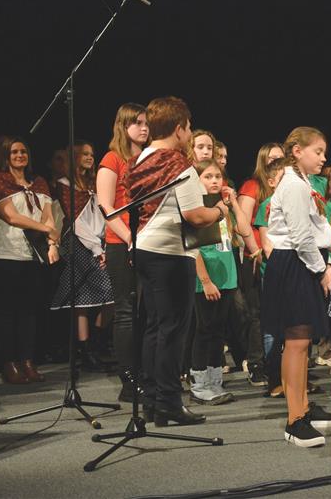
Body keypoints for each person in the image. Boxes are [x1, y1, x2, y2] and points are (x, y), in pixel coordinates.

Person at [124, 96, 230, 426]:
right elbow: (196, 216)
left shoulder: (140, 158)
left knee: (155, 328)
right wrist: (220, 211)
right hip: (169, 253)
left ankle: (154, 401)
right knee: (172, 330)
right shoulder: (176, 163)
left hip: (143, 248)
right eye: (187, 127)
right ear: (179, 128)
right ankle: (169, 401)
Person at [261, 126, 331, 447]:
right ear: (297, 151)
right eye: (318, 151)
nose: (323, 158)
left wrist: (328, 255)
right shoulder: (293, 185)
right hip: (294, 263)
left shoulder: (303, 182)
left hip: (304, 261)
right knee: (295, 342)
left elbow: (315, 229)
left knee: (304, 340)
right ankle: (295, 420)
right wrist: (322, 270)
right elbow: (300, 236)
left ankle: (305, 407)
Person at [0, 137, 59, 383]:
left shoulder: (38, 182)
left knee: (30, 312)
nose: (20, 155)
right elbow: (11, 217)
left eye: (23, 151)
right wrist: (45, 228)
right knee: (6, 313)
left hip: (33, 256)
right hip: (4, 254)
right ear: (5, 155)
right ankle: (9, 364)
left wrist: (52, 242)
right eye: (14, 152)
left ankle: (28, 361)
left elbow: (49, 216)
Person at [190, 159, 259, 405]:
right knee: (204, 330)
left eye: (217, 177)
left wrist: (233, 204)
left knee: (218, 330)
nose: (214, 181)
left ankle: (214, 379)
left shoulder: (223, 207)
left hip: (227, 278)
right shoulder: (196, 209)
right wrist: (206, 281)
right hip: (206, 281)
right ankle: (199, 384)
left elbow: (244, 230)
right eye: (208, 177)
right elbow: (193, 250)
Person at [97, 102, 149, 401]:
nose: (144, 128)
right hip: (121, 243)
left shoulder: (147, 158)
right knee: (126, 311)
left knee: (146, 311)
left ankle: (145, 374)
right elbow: (107, 206)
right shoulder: (112, 159)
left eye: (146, 123)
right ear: (123, 125)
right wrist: (130, 237)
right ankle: (129, 382)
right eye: (138, 122)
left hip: (147, 242)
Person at [50, 141, 115, 371]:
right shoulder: (64, 184)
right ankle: (86, 348)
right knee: (82, 297)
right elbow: (77, 222)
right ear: (74, 157)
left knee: (109, 294)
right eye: (84, 154)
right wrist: (96, 248)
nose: (90, 157)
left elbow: (102, 215)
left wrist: (104, 242)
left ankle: (95, 344)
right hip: (78, 242)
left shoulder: (93, 182)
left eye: (91, 153)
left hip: (98, 241)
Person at [237, 142, 285, 387]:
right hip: (255, 258)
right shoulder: (253, 186)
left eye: (281, 157)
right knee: (257, 315)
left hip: (278, 257)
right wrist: (256, 251)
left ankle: (279, 365)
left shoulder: (287, 187)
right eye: (272, 158)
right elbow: (242, 224)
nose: (277, 161)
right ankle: (257, 364)